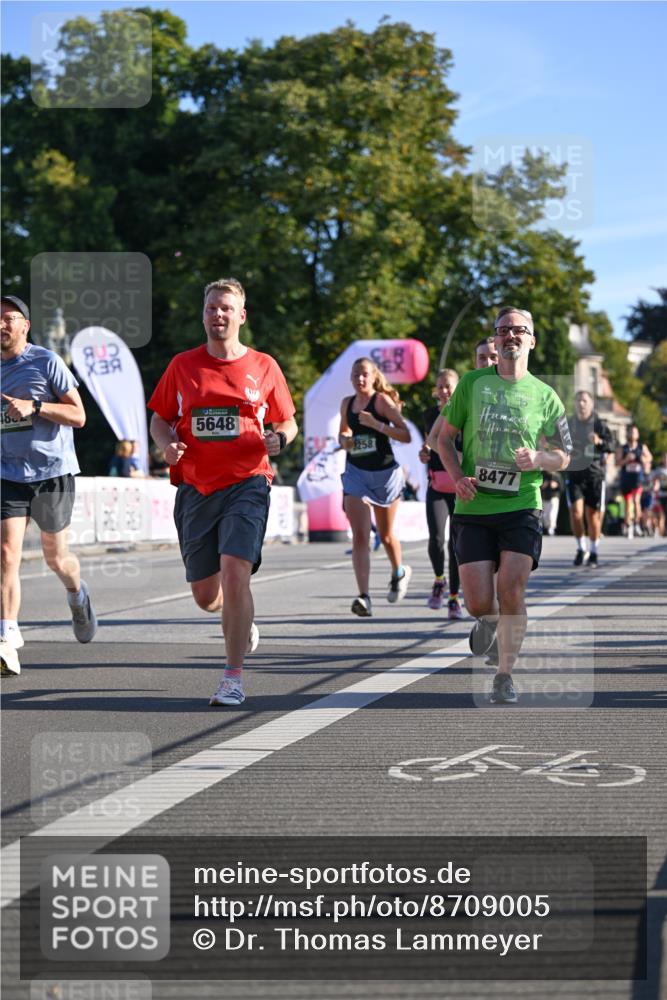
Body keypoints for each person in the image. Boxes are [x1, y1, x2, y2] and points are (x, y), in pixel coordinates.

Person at [148, 278, 297, 707]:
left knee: (236, 573)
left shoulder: (264, 366)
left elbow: (288, 421)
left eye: (226, 308)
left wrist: (280, 440)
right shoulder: (183, 365)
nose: (218, 315)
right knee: (205, 595)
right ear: (204, 314)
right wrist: (165, 443)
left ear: (241, 315)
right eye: (212, 308)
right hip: (196, 486)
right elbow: (160, 417)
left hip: (249, 480)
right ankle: (239, 620)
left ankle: (232, 678)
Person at [437, 306, 572, 704]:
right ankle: (489, 622)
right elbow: (443, 439)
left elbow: (565, 453)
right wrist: (457, 477)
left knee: (511, 587)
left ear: (532, 340)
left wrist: (541, 459)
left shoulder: (547, 397)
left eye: (518, 330)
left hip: (522, 505)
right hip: (475, 507)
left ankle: (504, 674)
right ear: (495, 340)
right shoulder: (472, 384)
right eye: (503, 330)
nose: (510, 336)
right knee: (480, 601)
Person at [1, 294, 97, 676]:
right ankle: (7, 639)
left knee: (56, 558)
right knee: (6, 554)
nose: (2, 324)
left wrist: (35, 407)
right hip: (7, 473)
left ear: (25, 325)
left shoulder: (46, 361)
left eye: (9, 318)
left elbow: (79, 415)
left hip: (52, 472)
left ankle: (77, 593)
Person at [339, 357, 411, 617]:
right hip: (356, 473)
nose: (360, 379)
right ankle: (364, 596)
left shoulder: (381, 402)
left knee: (387, 535)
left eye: (364, 374)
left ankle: (399, 571)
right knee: (360, 536)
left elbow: (406, 434)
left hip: (384, 474)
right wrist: (345, 439)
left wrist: (377, 425)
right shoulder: (347, 404)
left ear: (373, 377)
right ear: (351, 377)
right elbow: (343, 432)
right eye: (356, 374)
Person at [419, 369, 463, 619]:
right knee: (435, 539)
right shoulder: (430, 414)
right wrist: (424, 453)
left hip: (459, 484)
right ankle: (439, 580)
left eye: (448, 386)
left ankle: (454, 599)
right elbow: (429, 444)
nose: (444, 391)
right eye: (440, 387)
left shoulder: (467, 413)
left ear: (458, 388)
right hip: (436, 482)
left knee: (455, 544)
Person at [565, 390, 613, 566]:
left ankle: (593, 551)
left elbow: (611, 445)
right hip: (574, 474)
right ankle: (581, 548)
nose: (581, 404)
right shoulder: (569, 423)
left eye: (584, 401)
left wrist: (599, 441)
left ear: (591, 404)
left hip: (594, 475)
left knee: (593, 516)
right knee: (576, 513)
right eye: (578, 401)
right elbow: (557, 442)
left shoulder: (599, 423)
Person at [616, 425, 652, 538]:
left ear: (638, 435)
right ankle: (628, 525)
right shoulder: (623, 448)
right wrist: (626, 459)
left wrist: (642, 459)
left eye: (634, 432)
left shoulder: (642, 447)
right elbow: (617, 463)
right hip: (626, 479)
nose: (632, 434)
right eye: (631, 432)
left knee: (636, 501)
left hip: (638, 479)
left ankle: (637, 524)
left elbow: (650, 458)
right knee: (627, 504)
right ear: (628, 434)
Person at [540, 470, 563, 536]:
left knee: (552, 513)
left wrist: (556, 485)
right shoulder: (543, 475)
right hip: (544, 497)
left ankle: (551, 528)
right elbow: (539, 486)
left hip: (554, 497)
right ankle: (546, 527)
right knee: (545, 514)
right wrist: (543, 485)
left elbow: (562, 488)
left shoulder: (557, 476)